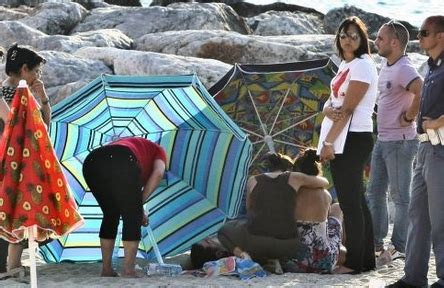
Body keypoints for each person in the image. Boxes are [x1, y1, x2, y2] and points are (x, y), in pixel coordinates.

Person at [318, 16, 378, 274]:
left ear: (362, 39)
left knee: (351, 203)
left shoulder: (363, 65)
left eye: (354, 35)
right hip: (345, 136)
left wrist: (329, 142)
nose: (348, 39)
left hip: (352, 137)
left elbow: (350, 108)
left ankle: (355, 263)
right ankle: (365, 261)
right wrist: (326, 108)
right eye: (344, 34)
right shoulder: (346, 64)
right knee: (357, 201)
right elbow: (335, 100)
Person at [388, 15, 444, 288]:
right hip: (424, 149)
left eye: (424, 33)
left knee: (441, 218)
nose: (419, 38)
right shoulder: (433, 67)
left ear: (441, 36)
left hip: (441, 147)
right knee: (417, 216)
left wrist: (437, 122)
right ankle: (413, 279)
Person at [367, 20, 423, 260]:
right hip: (383, 139)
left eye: (380, 38)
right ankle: (376, 243)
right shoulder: (386, 64)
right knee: (375, 193)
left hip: (400, 141)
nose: (376, 42)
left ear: (395, 42)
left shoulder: (404, 67)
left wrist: (410, 116)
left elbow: (422, 89)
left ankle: (399, 246)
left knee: (400, 197)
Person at [0, 44, 51, 280]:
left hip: (17, 159)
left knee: (16, 210)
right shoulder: (11, 94)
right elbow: (20, 125)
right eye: (36, 71)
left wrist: (43, 98)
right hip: (12, 160)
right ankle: (8, 266)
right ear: (24, 68)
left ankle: (10, 266)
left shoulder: (21, 93)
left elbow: (44, 126)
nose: (38, 76)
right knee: (14, 209)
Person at [82, 137, 166, 278]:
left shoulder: (127, 143)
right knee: (132, 217)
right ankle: (129, 270)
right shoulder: (159, 150)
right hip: (123, 159)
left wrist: (136, 205)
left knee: (110, 214)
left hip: (92, 162)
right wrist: (138, 206)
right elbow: (158, 174)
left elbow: (126, 198)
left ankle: (107, 270)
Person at [283, 148, 344, 273]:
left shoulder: (290, 194)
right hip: (323, 261)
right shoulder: (326, 195)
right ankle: (343, 245)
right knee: (337, 207)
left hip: (294, 260)